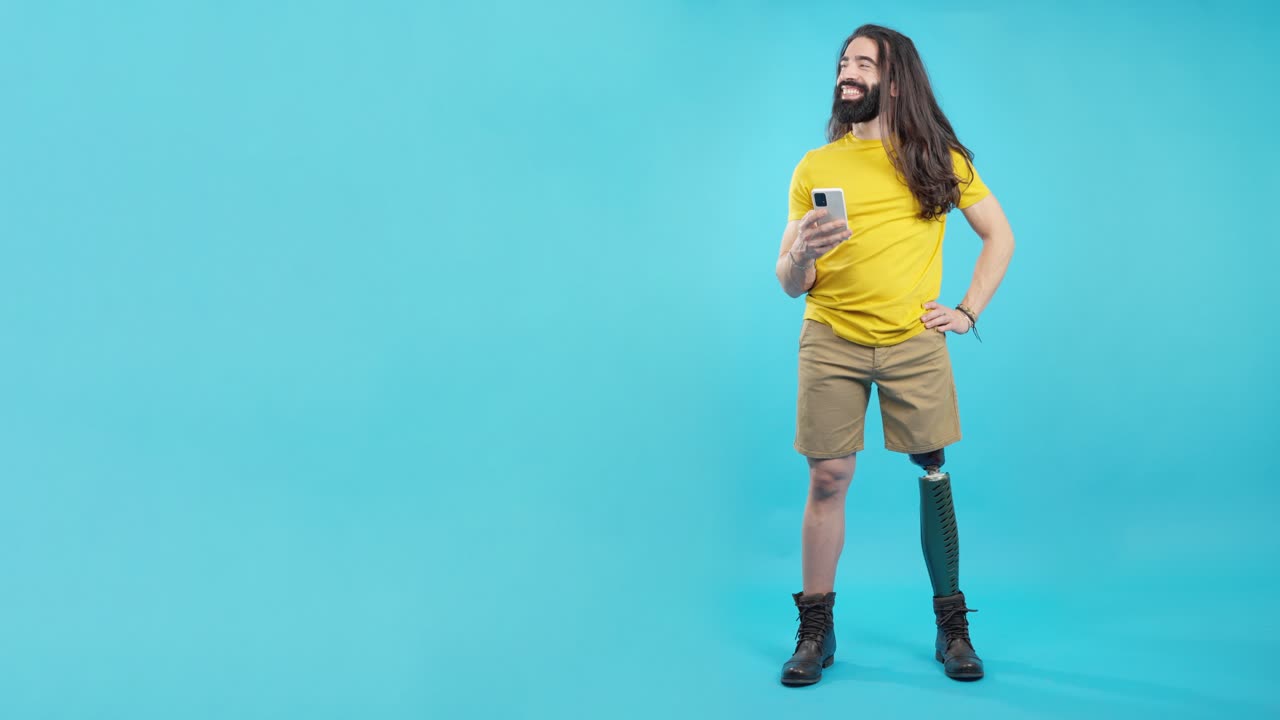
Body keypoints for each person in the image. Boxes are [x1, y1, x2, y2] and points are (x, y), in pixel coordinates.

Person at [774, 24, 1015, 687]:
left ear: (896, 80)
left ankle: (952, 625)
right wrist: (802, 254)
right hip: (831, 338)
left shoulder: (937, 158)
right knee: (827, 478)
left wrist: (967, 311)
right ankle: (815, 630)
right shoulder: (815, 166)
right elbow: (789, 282)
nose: (846, 72)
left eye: (862, 63)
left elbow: (999, 235)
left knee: (933, 470)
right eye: (842, 62)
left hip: (913, 342)